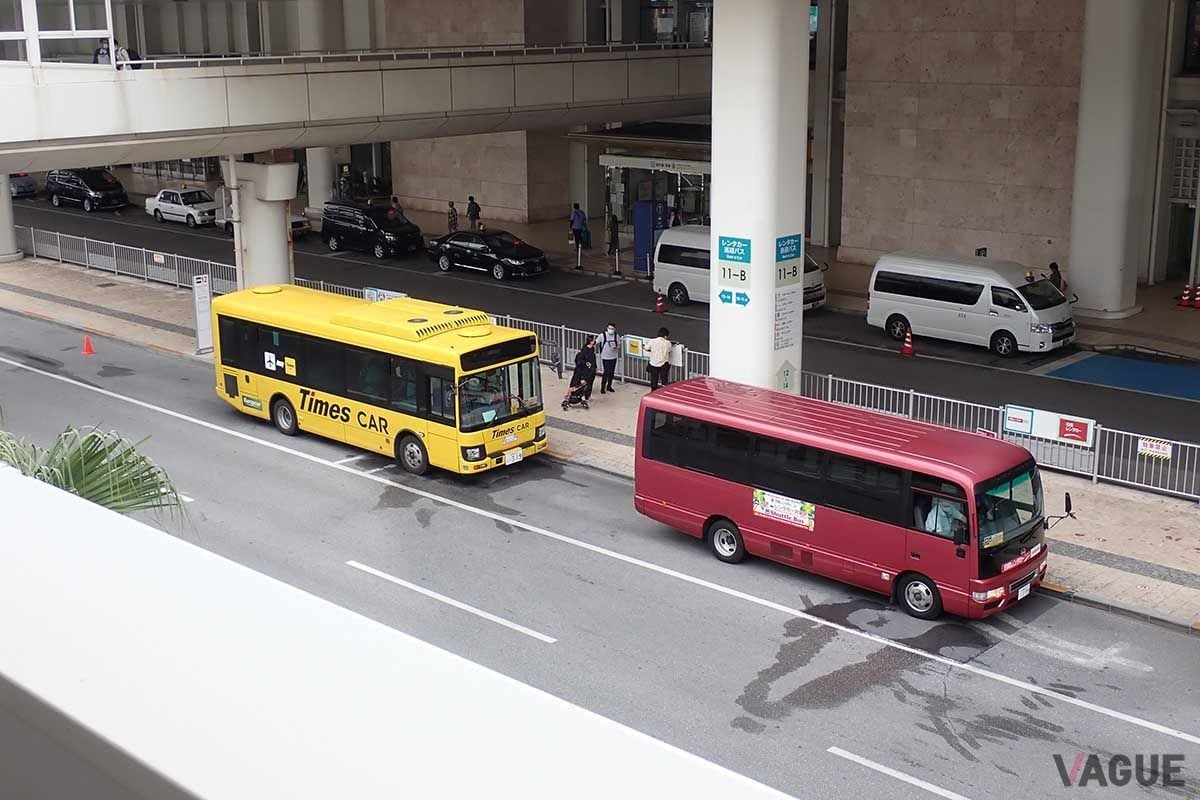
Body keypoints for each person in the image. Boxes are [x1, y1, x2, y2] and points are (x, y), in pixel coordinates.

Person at [571, 337, 598, 402]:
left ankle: (588, 396)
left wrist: (595, 367)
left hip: (592, 369)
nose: (595, 341)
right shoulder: (585, 350)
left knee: (591, 383)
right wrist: (586, 363)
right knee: (586, 383)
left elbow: (593, 359)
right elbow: (580, 360)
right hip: (587, 370)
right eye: (593, 340)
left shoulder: (592, 349)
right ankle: (584, 396)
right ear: (591, 341)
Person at [597, 323, 621, 394]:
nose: (611, 330)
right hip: (605, 357)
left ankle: (609, 386)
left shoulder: (616, 336)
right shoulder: (602, 335)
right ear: (607, 328)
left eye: (612, 329)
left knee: (611, 372)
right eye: (609, 328)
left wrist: (616, 347)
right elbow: (596, 342)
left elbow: (619, 345)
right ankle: (602, 387)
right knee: (606, 372)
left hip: (613, 356)